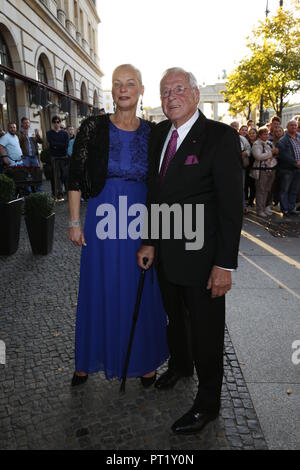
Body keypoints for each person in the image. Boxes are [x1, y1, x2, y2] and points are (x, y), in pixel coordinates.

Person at [137, 67, 243, 435]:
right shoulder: (159, 135)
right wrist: (150, 240)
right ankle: (181, 366)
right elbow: (155, 193)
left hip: (203, 259)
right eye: (165, 91)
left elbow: (232, 207)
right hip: (166, 253)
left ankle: (208, 404)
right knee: (174, 318)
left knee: (207, 331)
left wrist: (224, 265)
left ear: (196, 95)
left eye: (179, 89)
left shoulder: (220, 137)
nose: (171, 97)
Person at [68, 64, 168, 387]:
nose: (122, 89)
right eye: (116, 84)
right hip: (101, 219)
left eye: (129, 83)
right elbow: (75, 175)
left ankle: (144, 360)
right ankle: (87, 359)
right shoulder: (93, 128)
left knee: (141, 287)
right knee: (100, 286)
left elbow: (162, 183)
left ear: (140, 90)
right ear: (112, 91)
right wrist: (73, 221)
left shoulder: (154, 134)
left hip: (140, 222)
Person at [252, 127, 278, 218]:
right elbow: (258, 156)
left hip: (271, 169)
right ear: (260, 135)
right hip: (261, 170)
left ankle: (263, 208)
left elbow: (276, 152)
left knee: (267, 190)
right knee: (261, 190)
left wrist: (273, 153)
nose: (267, 136)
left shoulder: (269, 143)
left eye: (267, 134)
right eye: (264, 134)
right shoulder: (256, 144)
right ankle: (259, 210)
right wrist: (271, 153)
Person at [276, 120, 300, 216]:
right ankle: (285, 210)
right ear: (287, 127)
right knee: (285, 190)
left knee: (294, 190)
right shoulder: (283, 140)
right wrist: (295, 163)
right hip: (287, 169)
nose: (294, 126)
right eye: (291, 125)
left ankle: (291, 208)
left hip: (298, 169)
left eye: (295, 125)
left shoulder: (299, 137)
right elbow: (283, 155)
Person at [46, 115, 69, 201]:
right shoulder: (49, 133)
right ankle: (59, 194)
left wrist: (56, 145)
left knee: (65, 175)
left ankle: (68, 192)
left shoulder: (65, 133)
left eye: (58, 122)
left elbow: (66, 145)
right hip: (54, 157)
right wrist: (58, 145)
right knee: (57, 176)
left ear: (60, 122)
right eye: (55, 122)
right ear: (52, 123)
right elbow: (51, 143)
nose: (56, 123)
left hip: (64, 156)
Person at [19, 117, 43, 192]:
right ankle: (29, 191)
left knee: (37, 174)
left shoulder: (32, 132)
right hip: (25, 157)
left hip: (34, 156)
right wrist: (24, 135)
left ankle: (38, 190)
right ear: (22, 124)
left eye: (28, 123)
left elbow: (41, 141)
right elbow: (18, 143)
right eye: (25, 123)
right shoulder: (19, 133)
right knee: (27, 174)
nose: (27, 124)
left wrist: (37, 135)